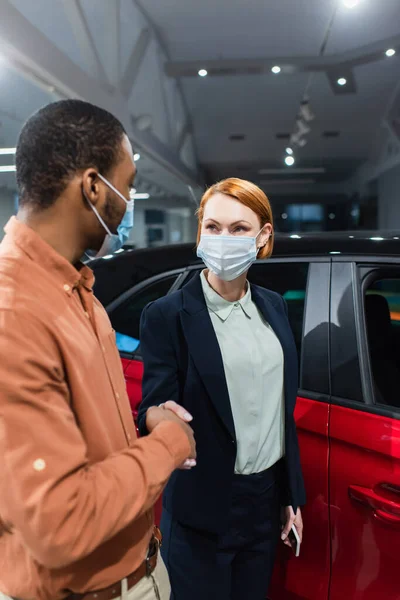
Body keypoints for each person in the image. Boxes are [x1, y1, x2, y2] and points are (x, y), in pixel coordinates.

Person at [0, 99, 196, 600]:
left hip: (138, 570)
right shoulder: (15, 314)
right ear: (92, 187)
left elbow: (79, 436)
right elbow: (60, 521)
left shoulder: (78, 292)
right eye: (127, 186)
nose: (129, 202)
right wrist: (169, 443)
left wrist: (141, 426)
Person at [138, 178, 306, 600]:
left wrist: (290, 496)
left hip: (264, 504)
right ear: (199, 232)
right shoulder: (167, 315)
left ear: (263, 236)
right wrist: (157, 420)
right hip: (203, 508)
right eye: (212, 227)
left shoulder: (274, 306)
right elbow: (152, 406)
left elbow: (279, 412)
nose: (223, 239)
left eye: (238, 229)